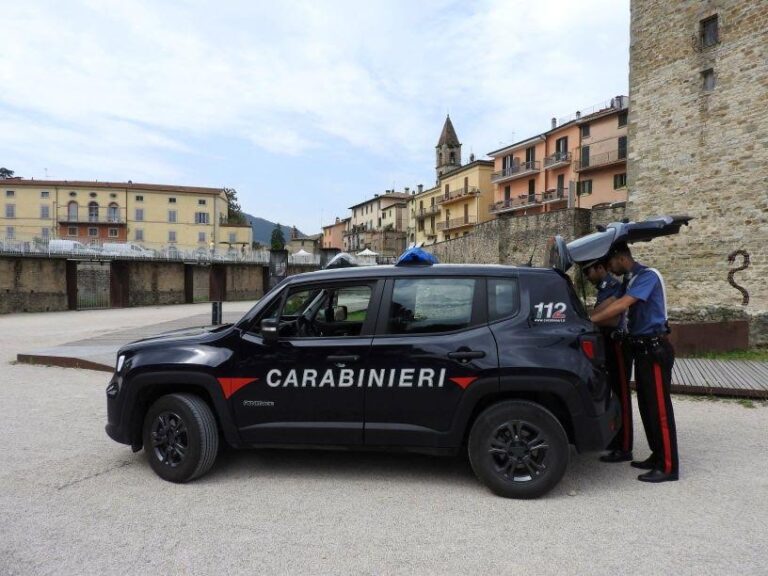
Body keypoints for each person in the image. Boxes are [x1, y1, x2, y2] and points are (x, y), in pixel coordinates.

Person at [590, 242, 679, 483]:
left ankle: (669, 466)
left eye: (611, 264)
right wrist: (588, 316)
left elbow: (621, 306)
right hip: (640, 348)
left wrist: (589, 323)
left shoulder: (647, 276)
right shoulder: (631, 279)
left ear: (620, 257)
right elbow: (610, 302)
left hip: (654, 348)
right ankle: (657, 455)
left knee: (659, 410)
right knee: (647, 406)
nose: (611, 270)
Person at [582, 258, 633, 464]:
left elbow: (610, 317)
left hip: (617, 344)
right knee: (612, 393)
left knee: (621, 395)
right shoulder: (605, 287)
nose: (586, 277)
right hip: (608, 345)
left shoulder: (613, 287)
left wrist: (591, 317)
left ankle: (624, 446)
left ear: (600, 268)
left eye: (588, 272)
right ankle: (616, 440)